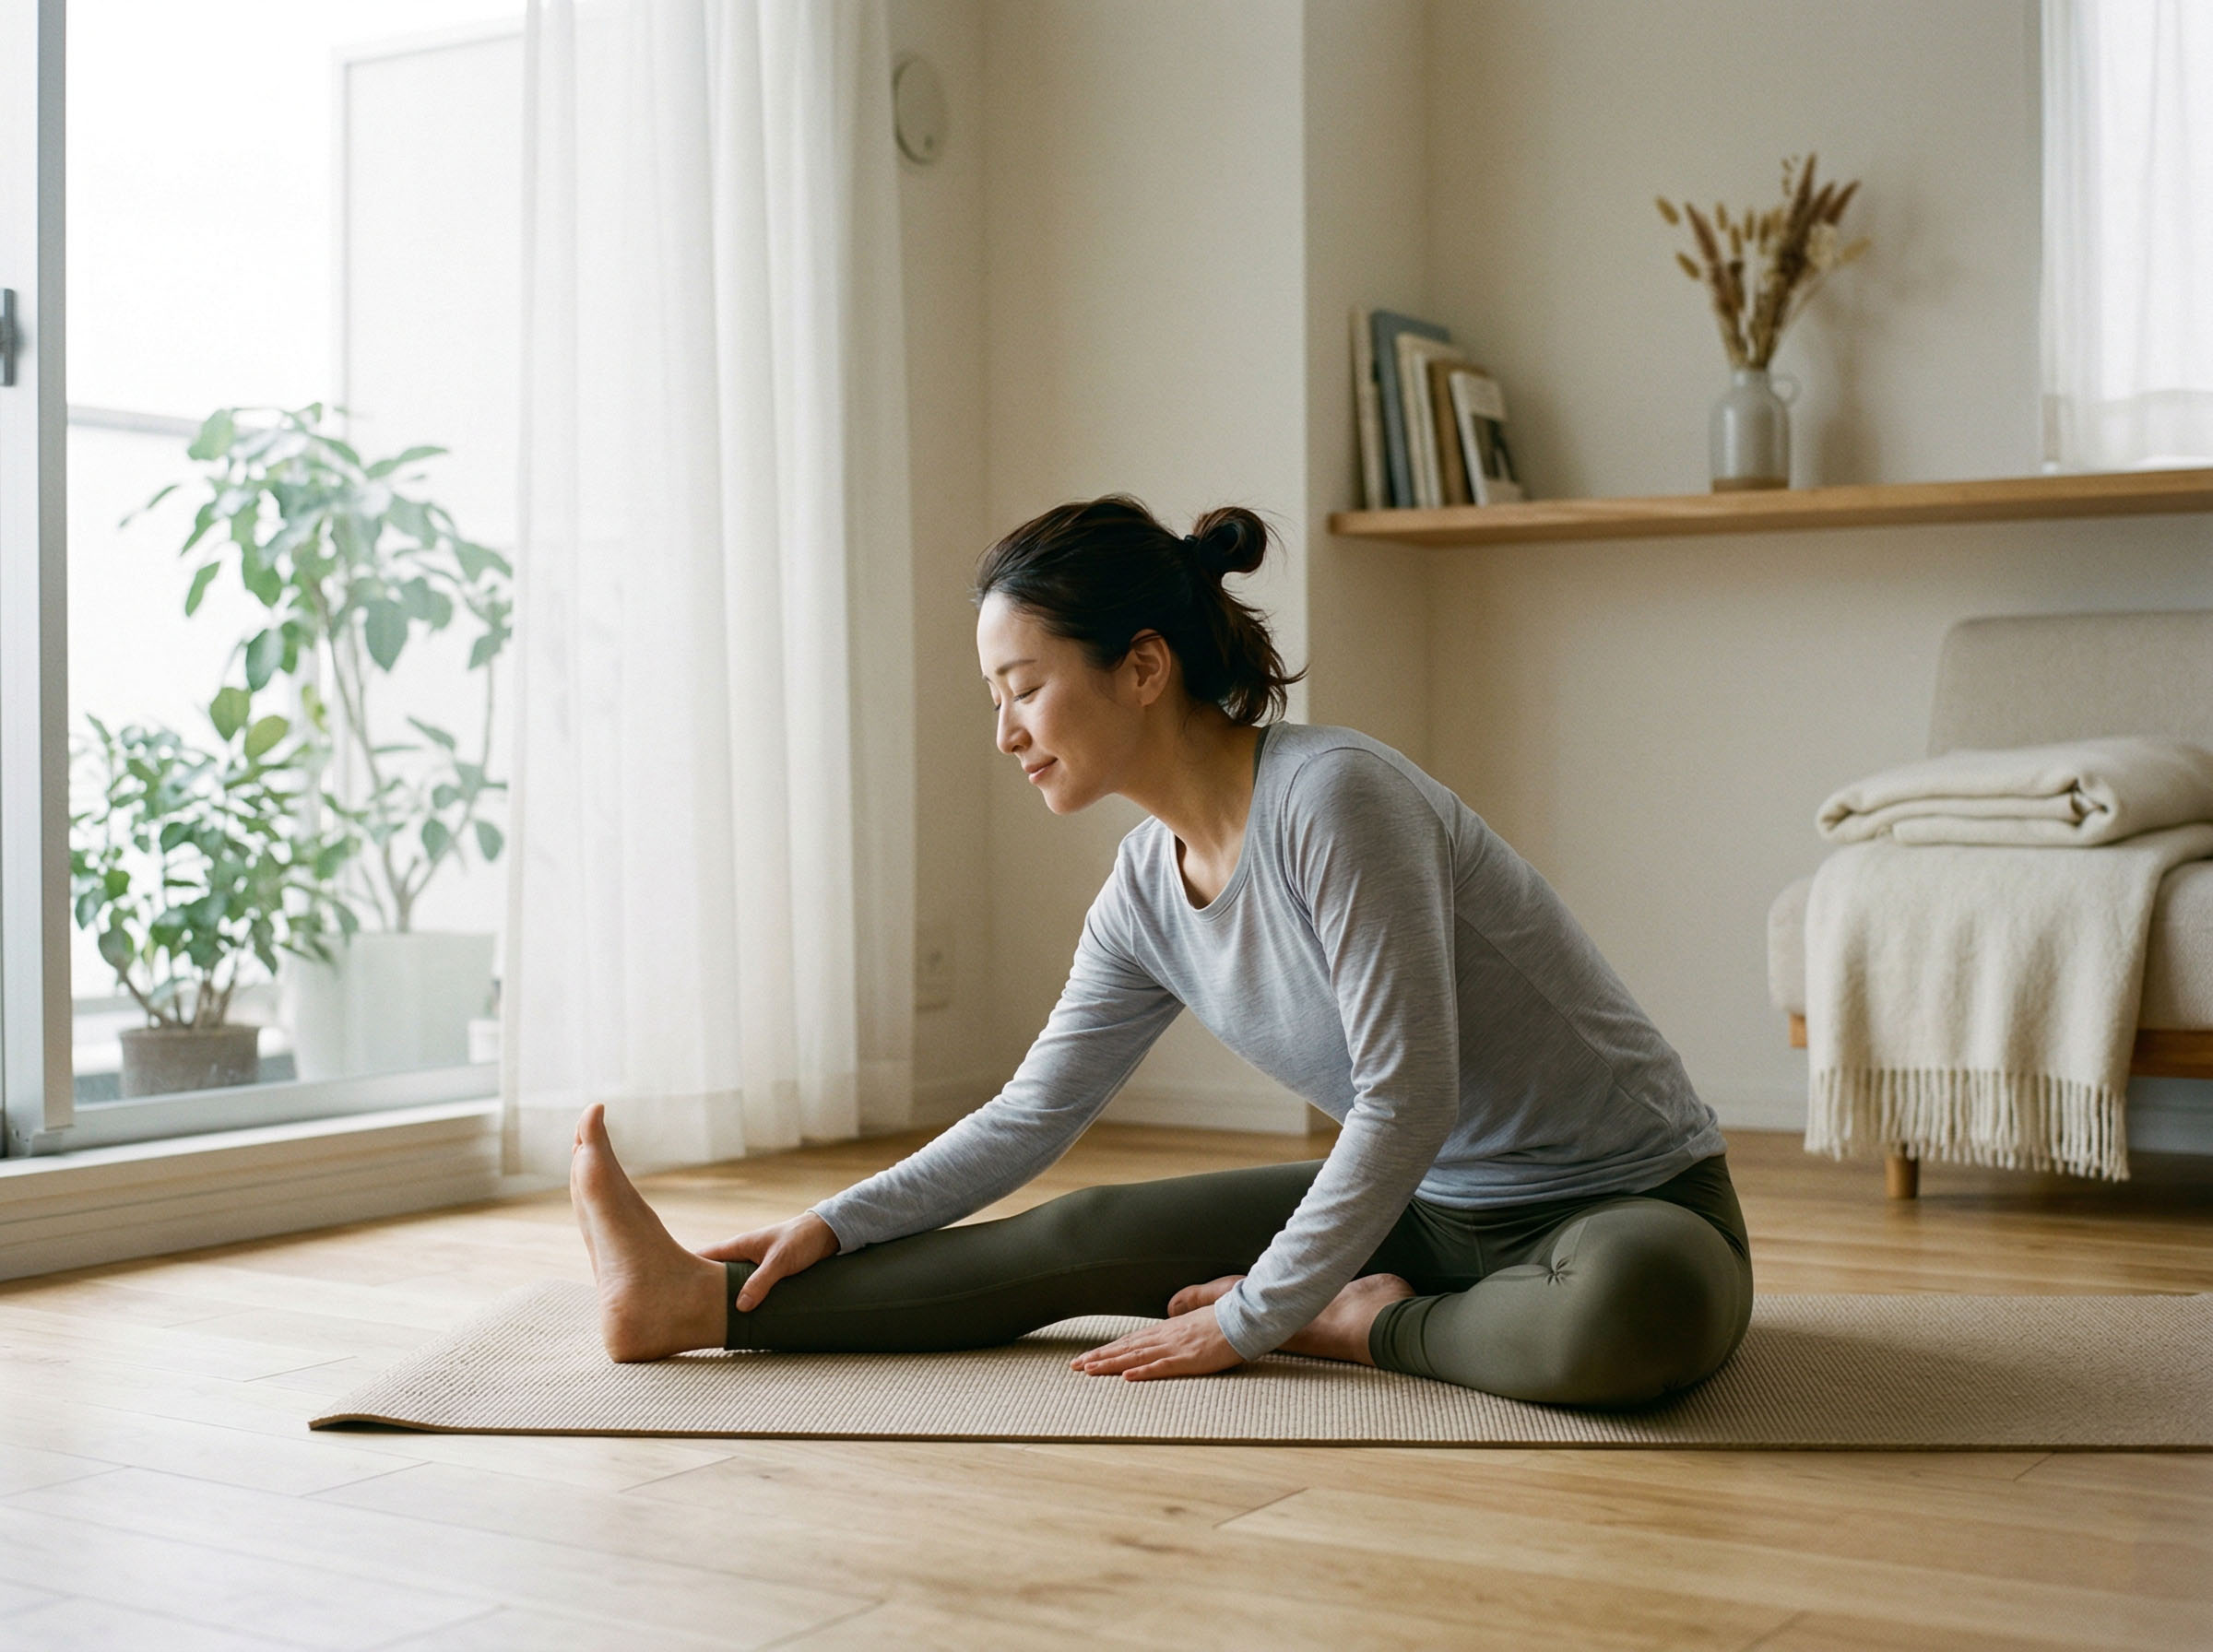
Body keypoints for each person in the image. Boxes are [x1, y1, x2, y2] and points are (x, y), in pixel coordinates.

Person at [569, 494, 1753, 1408]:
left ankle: (1366, 1324)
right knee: (1083, 1236)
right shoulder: (1144, 887)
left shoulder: (1335, 800)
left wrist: (1259, 1320)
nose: (1005, 733)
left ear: (1142, 666)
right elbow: (1032, 1116)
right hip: (1432, 1213)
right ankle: (691, 1302)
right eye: (995, 697)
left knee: (1634, 1313)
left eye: (1023, 688)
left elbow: (1409, 1099)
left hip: (1620, 1203)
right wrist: (836, 1219)